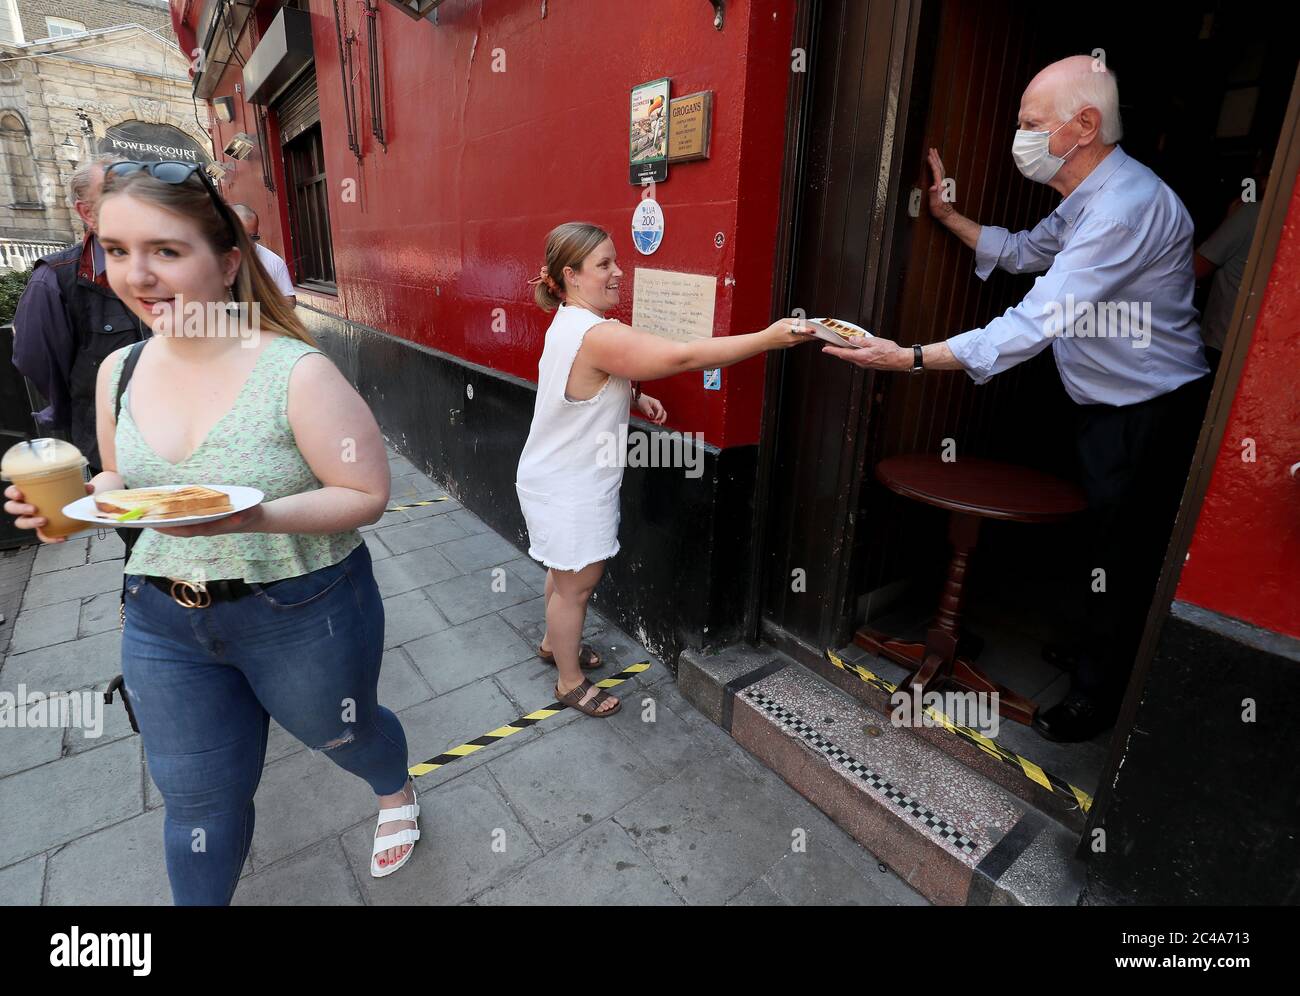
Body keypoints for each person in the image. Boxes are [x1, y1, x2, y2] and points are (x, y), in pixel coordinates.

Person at [4, 161, 417, 903]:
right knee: (197, 804)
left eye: (166, 251)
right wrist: (75, 506)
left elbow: (366, 494)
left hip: (302, 610)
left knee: (347, 736)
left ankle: (394, 791)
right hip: (162, 619)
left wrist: (255, 516)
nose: (138, 274)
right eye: (118, 250)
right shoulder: (118, 372)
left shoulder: (297, 372)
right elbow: (118, 478)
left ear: (228, 263)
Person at [822, 56, 1211, 743]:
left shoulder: (1126, 207)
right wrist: (947, 216)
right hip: (1100, 402)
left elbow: (1036, 320)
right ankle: (1095, 645)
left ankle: (1098, 693)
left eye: (1031, 124)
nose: (1019, 136)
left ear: (1083, 125)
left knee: (1122, 555)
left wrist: (907, 358)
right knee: (1098, 540)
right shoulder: (1086, 197)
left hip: (1148, 410)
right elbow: (1028, 250)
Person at [516, 222, 811, 717]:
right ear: (571, 274)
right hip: (570, 488)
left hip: (553, 478)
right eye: (605, 264)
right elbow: (684, 355)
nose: (618, 272)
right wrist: (767, 338)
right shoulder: (596, 332)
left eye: (615, 261)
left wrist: (634, 395)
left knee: (563, 575)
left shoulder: (570, 321)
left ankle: (553, 644)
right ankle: (569, 681)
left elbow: (583, 379)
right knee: (576, 586)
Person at [12, 153, 146, 473]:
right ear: (87, 212)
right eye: (114, 192)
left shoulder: (174, 262)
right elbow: (36, 360)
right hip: (115, 448)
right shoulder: (55, 278)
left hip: (187, 434)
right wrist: (81, 408)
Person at [229, 203, 296, 306]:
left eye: (253, 238)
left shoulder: (274, 262)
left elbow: (290, 301)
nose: (247, 243)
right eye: (241, 236)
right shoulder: (215, 261)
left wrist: (265, 307)